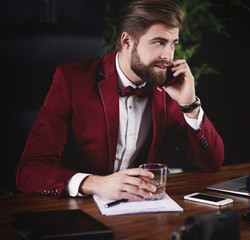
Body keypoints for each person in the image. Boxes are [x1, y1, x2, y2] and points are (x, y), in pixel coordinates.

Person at [16, 0, 224, 201]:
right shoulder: (71, 80)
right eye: (159, 42)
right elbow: (29, 170)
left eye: (173, 44)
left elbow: (211, 164)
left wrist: (190, 106)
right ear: (127, 41)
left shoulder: (171, 89)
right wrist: (96, 183)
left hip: (143, 213)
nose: (168, 56)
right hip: (77, 212)